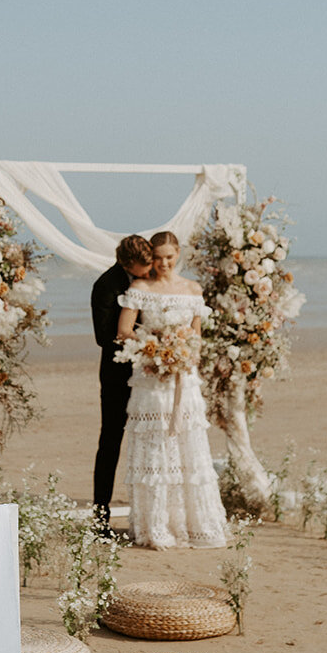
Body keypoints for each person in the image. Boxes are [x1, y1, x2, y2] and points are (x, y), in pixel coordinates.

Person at [115, 230, 229, 549]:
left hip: (184, 378)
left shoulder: (192, 289)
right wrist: (154, 348)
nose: (164, 263)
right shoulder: (140, 288)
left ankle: (194, 524)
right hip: (152, 380)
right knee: (155, 445)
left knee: (187, 443)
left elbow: (196, 337)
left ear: (178, 253)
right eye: (159, 257)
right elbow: (124, 331)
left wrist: (183, 355)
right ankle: (157, 526)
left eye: (170, 257)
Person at [91, 233, 154, 531]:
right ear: (128, 263)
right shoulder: (105, 285)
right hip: (117, 375)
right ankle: (100, 513)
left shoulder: (152, 279)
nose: (152, 268)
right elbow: (103, 337)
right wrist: (140, 338)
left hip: (151, 373)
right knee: (111, 441)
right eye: (146, 264)